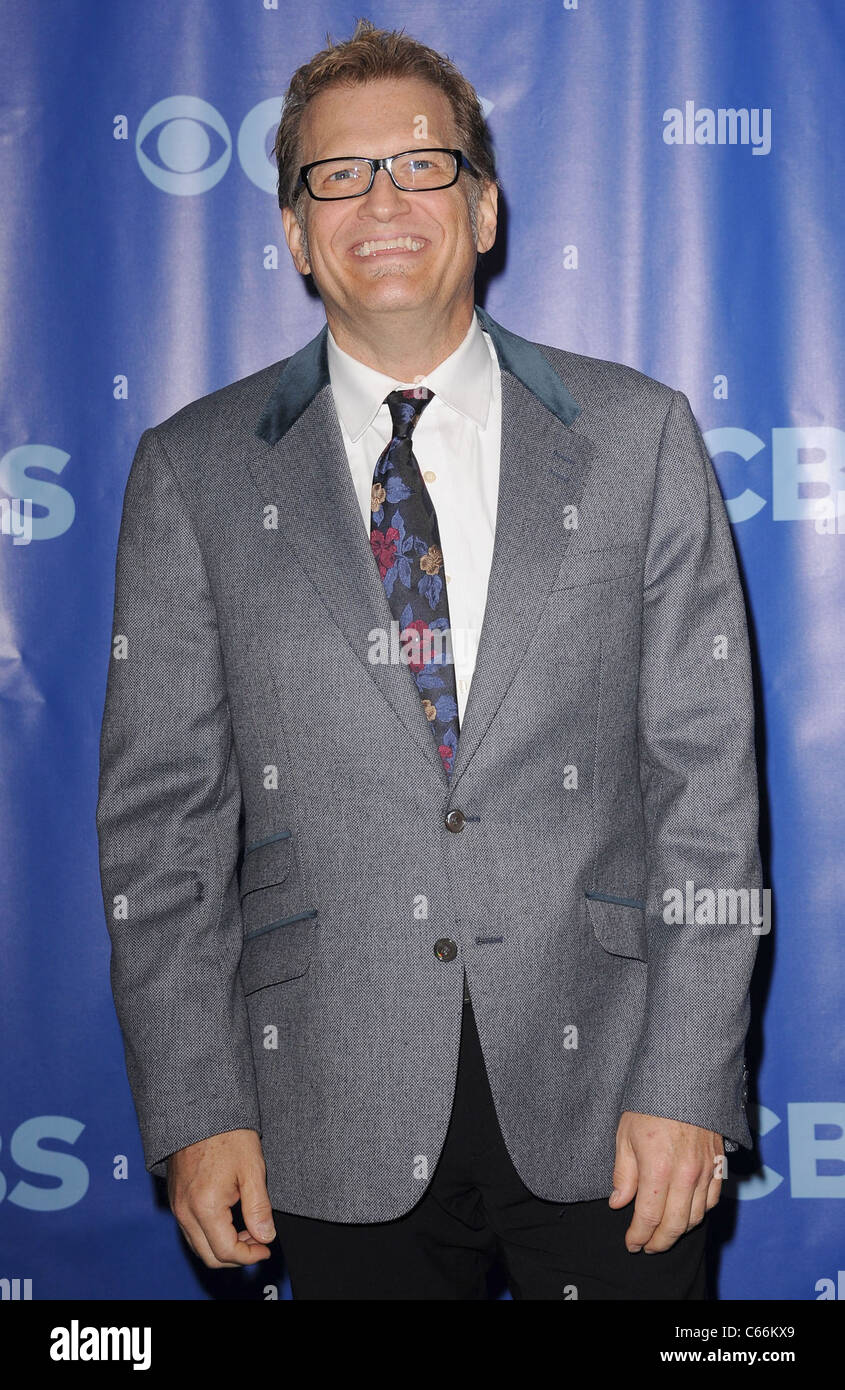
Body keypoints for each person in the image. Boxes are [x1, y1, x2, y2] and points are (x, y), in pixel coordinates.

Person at [96, 19, 761, 1300]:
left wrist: (688, 1079)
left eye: (420, 164)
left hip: (613, 1103)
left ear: (486, 205)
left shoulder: (636, 437)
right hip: (324, 1108)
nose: (381, 200)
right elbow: (159, 825)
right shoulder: (192, 471)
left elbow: (706, 790)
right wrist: (195, 1105)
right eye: (336, 175)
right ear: (296, 233)